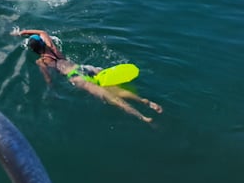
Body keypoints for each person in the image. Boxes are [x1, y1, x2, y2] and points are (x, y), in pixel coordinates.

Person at [12, 28, 162, 123]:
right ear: (43, 44)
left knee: (112, 98)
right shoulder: (53, 47)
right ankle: (144, 101)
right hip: (84, 68)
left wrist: (52, 90)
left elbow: (48, 79)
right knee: (115, 88)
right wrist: (22, 32)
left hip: (78, 79)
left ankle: (142, 117)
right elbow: (41, 32)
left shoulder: (42, 62)